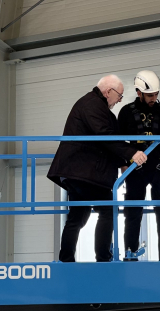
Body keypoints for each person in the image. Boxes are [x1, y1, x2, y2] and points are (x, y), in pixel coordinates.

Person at [48, 75, 147, 262]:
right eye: (119, 96)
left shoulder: (94, 105)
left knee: (77, 216)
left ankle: (66, 260)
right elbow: (104, 136)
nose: (120, 100)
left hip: (80, 172)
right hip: (84, 172)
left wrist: (122, 161)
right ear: (108, 92)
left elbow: (106, 139)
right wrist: (132, 153)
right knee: (107, 210)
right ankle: (103, 258)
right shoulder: (93, 105)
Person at [117, 70, 160, 261]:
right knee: (132, 213)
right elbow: (118, 141)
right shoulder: (126, 112)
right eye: (150, 95)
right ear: (139, 92)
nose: (154, 98)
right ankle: (130, 255)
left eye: (156, 94)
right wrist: (122, 164)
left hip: (159, 166)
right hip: (134, 168)